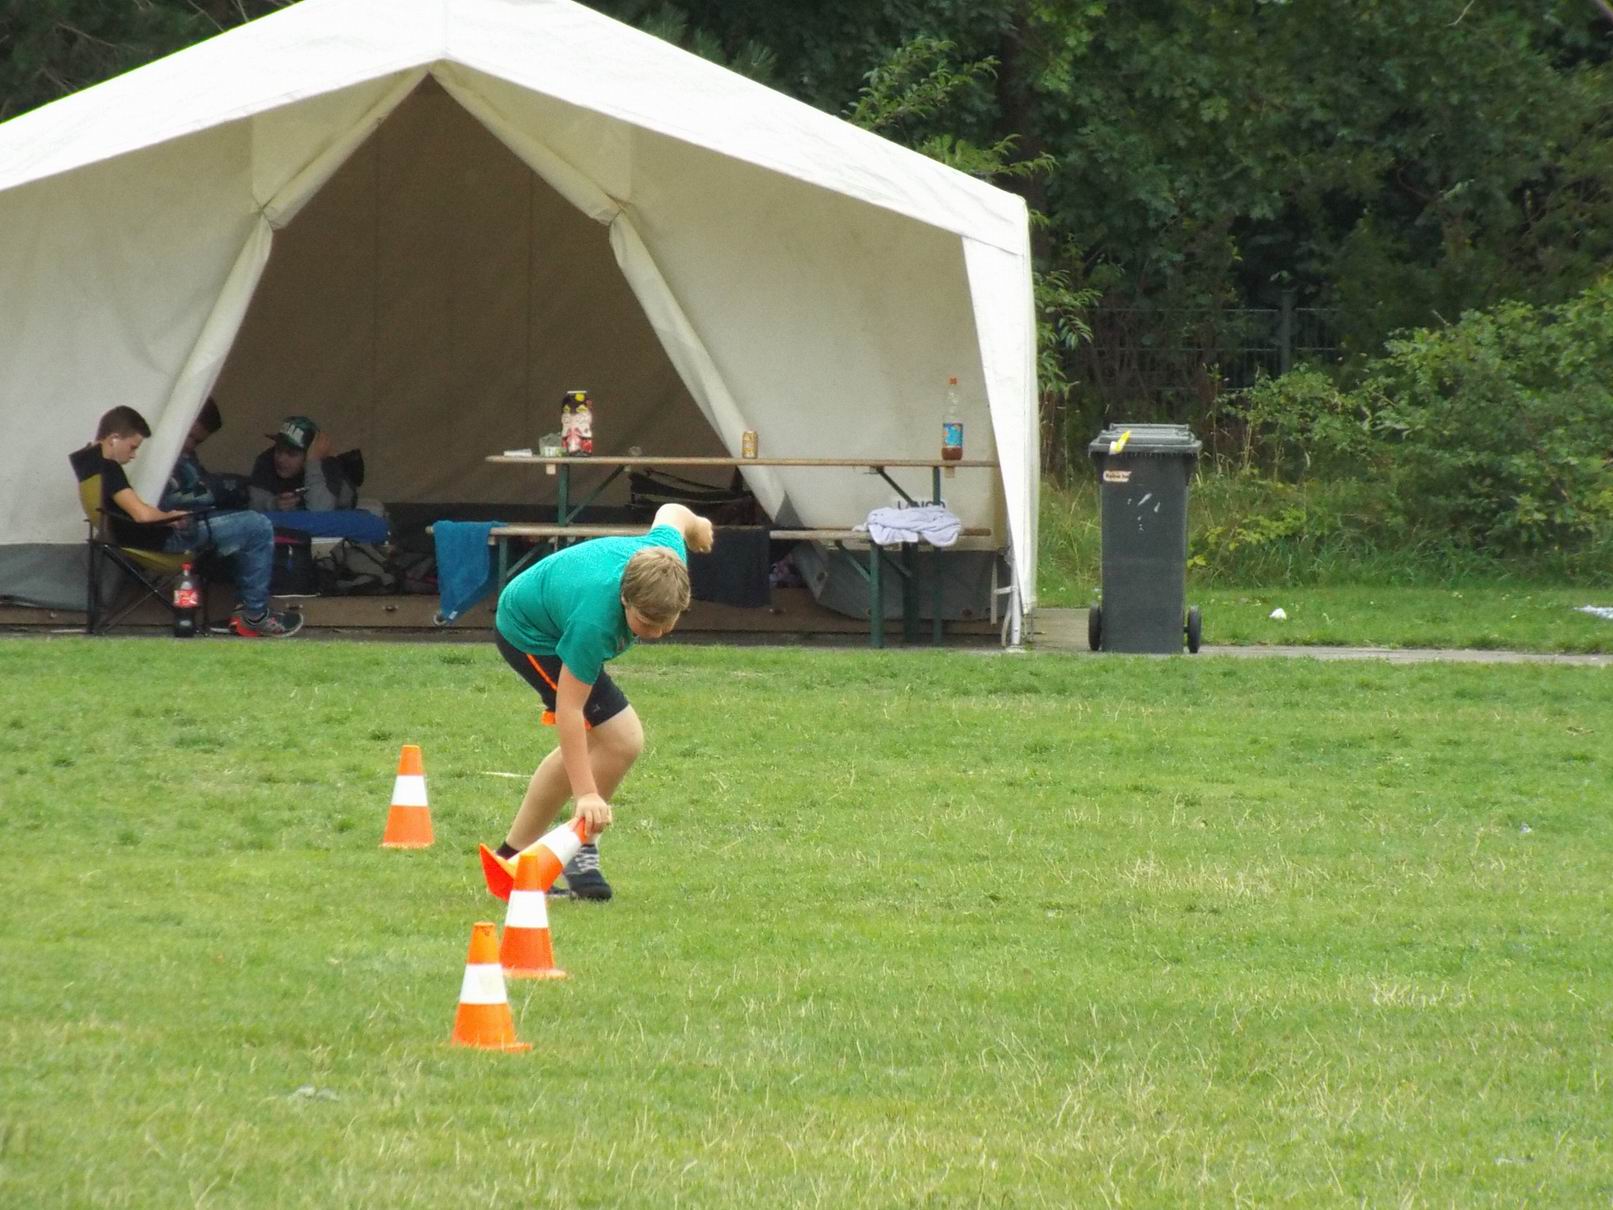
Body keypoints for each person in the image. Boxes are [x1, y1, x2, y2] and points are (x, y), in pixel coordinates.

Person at [483, 503, 715, 900]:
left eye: (668, 622)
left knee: (614, 741)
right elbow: (569, 710)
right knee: (621, 739)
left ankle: (514, 860)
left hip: (559, 612)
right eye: (646, 622)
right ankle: (577, 846)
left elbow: (673, 511)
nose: (656, 633)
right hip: (530, 634)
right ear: (625, 598)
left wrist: (699, 528)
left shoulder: (667, 559)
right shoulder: (594, 623)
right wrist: (587, 795)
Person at [73, 405, 304, 638]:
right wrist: (171, 517)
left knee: (240, 525)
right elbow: (142, 515)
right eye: (133, 447)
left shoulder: (89, 464)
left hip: (145, 536)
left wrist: (167, 516)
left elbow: (136, 512)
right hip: (165, 540)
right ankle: (254, 615)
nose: (134, 455)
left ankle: (246, 609)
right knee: (258, 526)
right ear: (113, 438)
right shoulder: (109, 468)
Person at [247, 415, 358, 513]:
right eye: (279, 449)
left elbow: (321, 511)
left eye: (291, 454)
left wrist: (312, 463)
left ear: (309, 454)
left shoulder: (327, 465)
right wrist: (273, 504)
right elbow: (253, 503)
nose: (281, 459)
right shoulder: (267, 459)